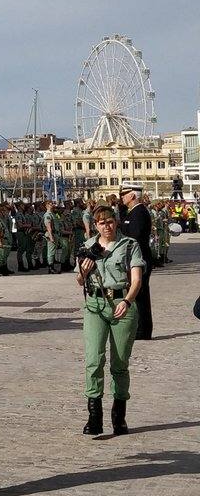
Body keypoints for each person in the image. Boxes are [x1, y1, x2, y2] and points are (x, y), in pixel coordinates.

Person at [77, 204, 143, 436]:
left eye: (110, 221)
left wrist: (126, 301)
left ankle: (119, 414)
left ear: (116, 222)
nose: (107, 226)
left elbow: (136, 280)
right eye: (102, 222)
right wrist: (83, 272)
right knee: (93, 359)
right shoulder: (87, 247)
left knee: (119, 363)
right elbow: (79, 281)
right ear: (95, 225)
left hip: (121, 305)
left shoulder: (129, 245)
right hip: (95, 306)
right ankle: (94, 416)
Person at [118, 182, 153, 340]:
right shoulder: (132, 212)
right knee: (139, 294)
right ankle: (141, 328)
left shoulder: (139, 212)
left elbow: (135, 236)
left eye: (124, 194)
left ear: (132, 195)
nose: (122, 198)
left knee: (140, 294)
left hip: (138, 259)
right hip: (134, 259)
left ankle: (143, 330)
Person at [0, 204, 13, 276]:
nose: (4, 212)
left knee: (4, 256)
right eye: (3, 211)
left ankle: (4, 269)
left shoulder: (3, 219)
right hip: (1, 239)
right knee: (0, 256)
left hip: (5, 239)